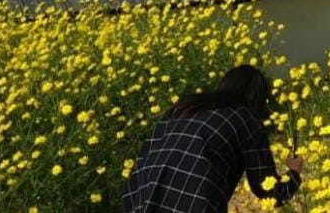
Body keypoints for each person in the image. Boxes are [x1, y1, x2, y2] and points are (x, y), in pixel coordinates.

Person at [123, 65, 304, 213]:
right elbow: (268, 191)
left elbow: (144, 157)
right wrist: (294, 173)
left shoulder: (184, 107)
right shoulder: (246, 118)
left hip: (139, 200)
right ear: (259, 98)